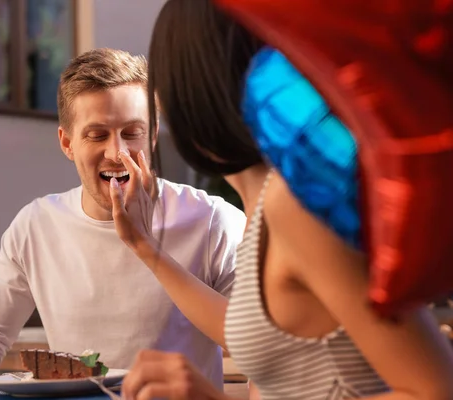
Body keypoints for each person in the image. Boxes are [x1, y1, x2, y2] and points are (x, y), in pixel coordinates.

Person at [108, 1, 453, 399]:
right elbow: (273, 340)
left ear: (190, 87)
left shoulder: (294, 206)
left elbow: (435, 391)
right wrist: (145, 248)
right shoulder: (265, 204)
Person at [0, 48, 247, 389]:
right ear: (67, 143)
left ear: (154, 134)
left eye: (132, 132)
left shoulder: (214, 221)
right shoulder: (35, 226)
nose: (117, 152)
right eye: (97, 135)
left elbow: (257, 344)